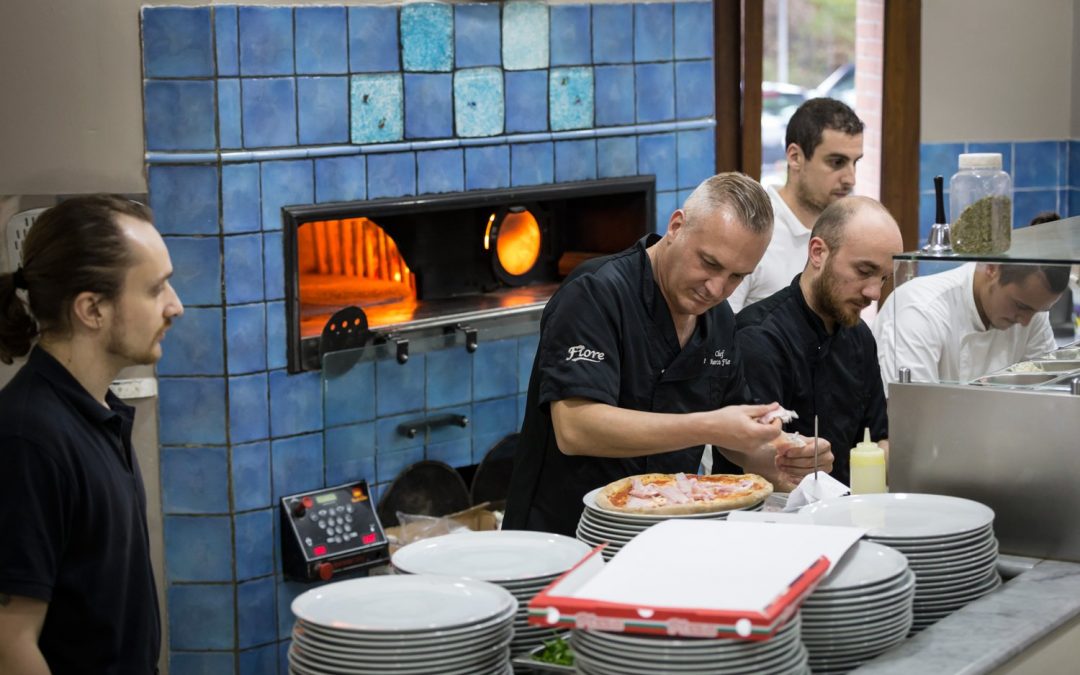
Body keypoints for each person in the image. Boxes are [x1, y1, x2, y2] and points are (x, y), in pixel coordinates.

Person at [503, 173, 833, 537]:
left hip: (665, 534)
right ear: (676, 226)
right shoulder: (596, 292)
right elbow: (575, 429)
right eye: (709, 263)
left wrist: (782, 459)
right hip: (567, 534)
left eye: (737, 277)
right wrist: (709, 426)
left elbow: (736, 442)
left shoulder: (719, 320)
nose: (716, 289)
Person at [0, 195, 183, 674]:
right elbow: (9, 646)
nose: (175, 306)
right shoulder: (27, 439)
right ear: (92, 309)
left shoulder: (98, 412)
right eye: (155, 289)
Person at [735, 197, 903, 487]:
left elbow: (878, 439)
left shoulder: (860, 336)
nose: (875, 293)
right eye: (864, 271)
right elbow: (754, 457)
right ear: (818, 253)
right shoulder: (759, 337)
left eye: (884, 278)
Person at [729, 98, 864, 313]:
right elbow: (720, 330)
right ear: (795, 157)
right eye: (837, 162)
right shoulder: (748, 229)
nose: (851, 179)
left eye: (855, 162)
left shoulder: (845, 233)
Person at [872, 259, 1068, 391]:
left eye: (1039, 311)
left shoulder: (1032, 311)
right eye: (1020, 306)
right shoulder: (920, 311)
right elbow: (912, 415)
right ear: (992, 269)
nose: (1026, 321)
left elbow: (1046, 389)